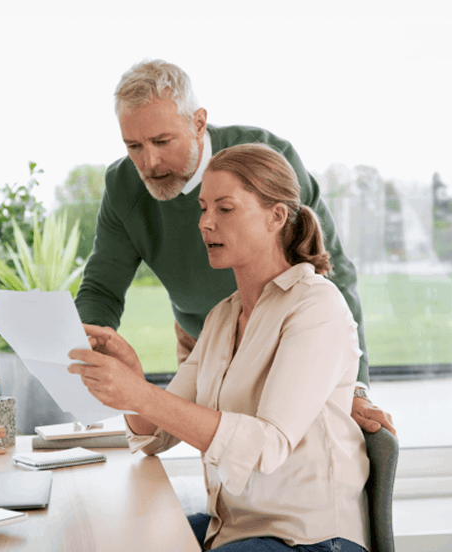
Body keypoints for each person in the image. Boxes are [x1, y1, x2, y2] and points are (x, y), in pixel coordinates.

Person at [69, 143, 370, 551]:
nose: (206, 223)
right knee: (115, 539)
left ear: (276, 217)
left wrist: (142, 394)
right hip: (232, 528)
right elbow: (154, 435)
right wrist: (134, 382)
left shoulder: (316, 306)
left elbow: (267, 446)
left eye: (224, 209)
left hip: (309, 540)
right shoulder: (223, 318)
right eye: (203, 208)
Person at [74, 59, 394, 437]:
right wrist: (84, 348)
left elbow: (333, 269)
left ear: (198, 123)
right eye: (133, 146)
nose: (149, 161)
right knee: (217, 458)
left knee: (276, 449)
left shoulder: (268, 158)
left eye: (162, 141)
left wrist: (354, 387)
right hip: (203, 335)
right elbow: (102, 288)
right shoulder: (124, 186)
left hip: (285, 330)